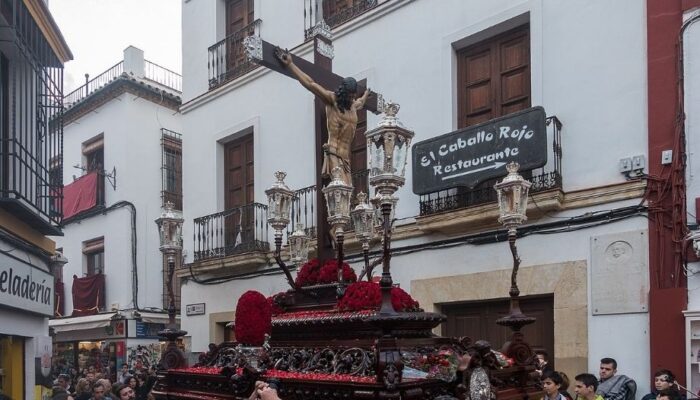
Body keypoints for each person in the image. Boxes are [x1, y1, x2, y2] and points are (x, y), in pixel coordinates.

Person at [274, 47, 370, 187]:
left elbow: (360, 103)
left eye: (353, 96)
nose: (351, 98)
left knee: (348, 193)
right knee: (341, 190)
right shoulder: (332, 100)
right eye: (349, 95)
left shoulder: (353, 106)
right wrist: (290, 64)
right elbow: (310, 84)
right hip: (333, 153)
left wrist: (366, 94)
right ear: (344, 92)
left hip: (346, 158)